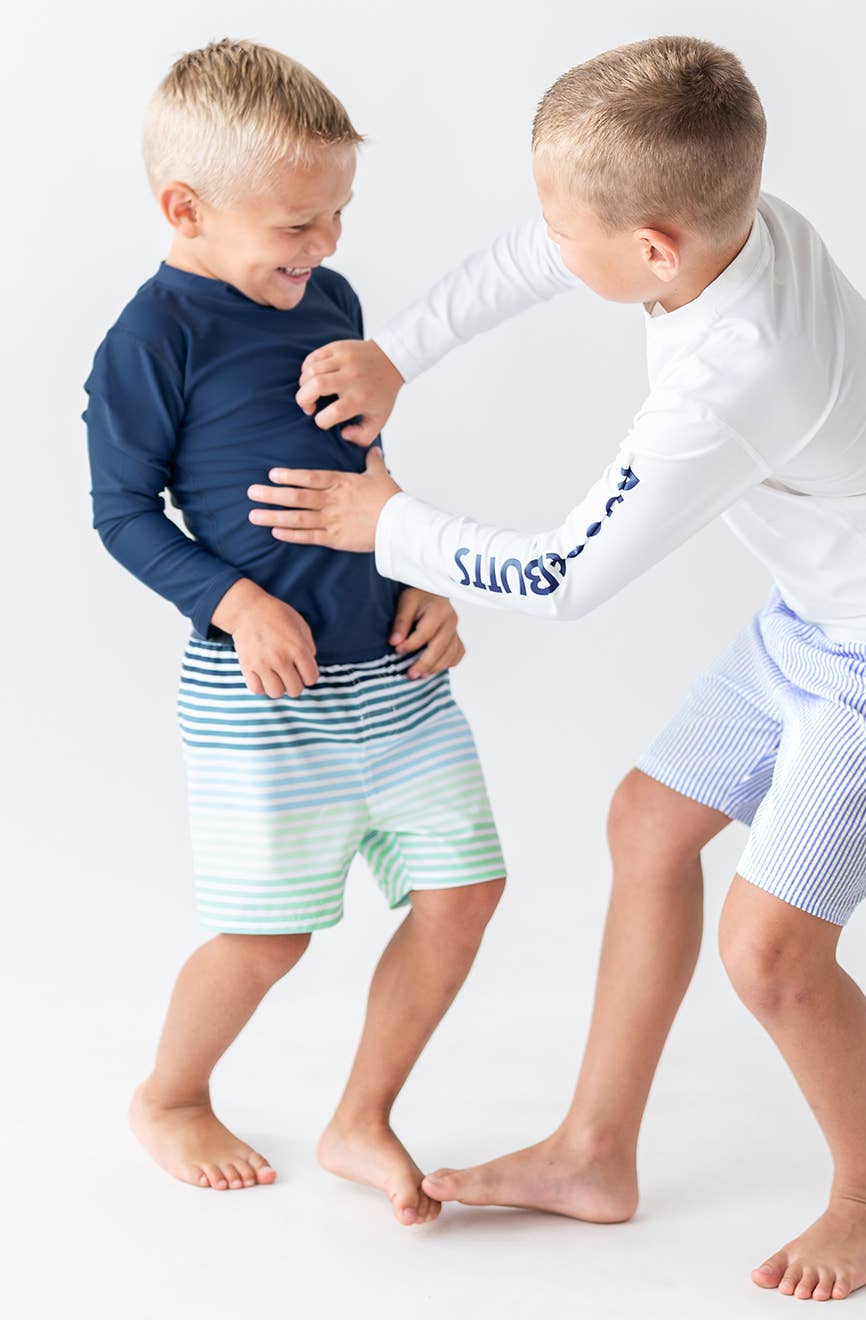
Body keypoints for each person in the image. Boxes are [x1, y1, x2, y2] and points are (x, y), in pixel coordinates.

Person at [249, 36, 866, 1299]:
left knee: (770, 953)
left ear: (655, 249)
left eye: (571, 229)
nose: (550, 243)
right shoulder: (738, 219)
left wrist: (387, 523)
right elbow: (537, 250)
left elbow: (565, 576)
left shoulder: (733, 378)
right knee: (648, 822)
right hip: (825, 614)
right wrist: (400, 351)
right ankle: (596, 1153)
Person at [84, 39, 506, 1225]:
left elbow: (364, 464)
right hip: (263, 691)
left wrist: (423, 568)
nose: (325, 245)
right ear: (186, 209)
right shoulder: (151, 341)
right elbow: (122, 512)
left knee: (465, 890)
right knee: (269, 937)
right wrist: (238, 603)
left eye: (337, 215)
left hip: (394, 672)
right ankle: (172, 1096)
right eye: (296, 225)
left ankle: (361, 1116)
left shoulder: (331, 302)